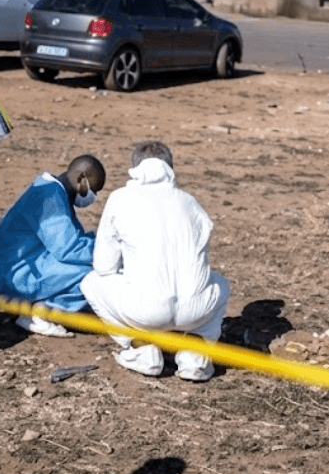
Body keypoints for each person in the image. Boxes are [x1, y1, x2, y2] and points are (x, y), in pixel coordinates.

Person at [81, 141, 230, 382]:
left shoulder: (120, 199)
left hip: (145, 312)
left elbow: (104, 267)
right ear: (170, 168)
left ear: (135, 168)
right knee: (221, 284)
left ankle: (142, 349)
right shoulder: (191, 203)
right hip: (195, 312)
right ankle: (195, 356)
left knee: (91, 282)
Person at [0, 155, 106, 337]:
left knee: (94, 264)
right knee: (95, 272)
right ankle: (41, 312)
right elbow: (69, 248)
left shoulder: (53, 191)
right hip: (16, 277)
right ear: (82, 179)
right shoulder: (49, 197)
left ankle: (40, 307)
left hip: (23, 265)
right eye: (94, 190)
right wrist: (109, 250)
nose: (93, 197)